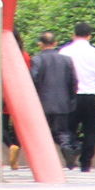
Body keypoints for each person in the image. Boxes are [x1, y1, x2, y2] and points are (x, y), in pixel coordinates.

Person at [61, 21, 95, 172]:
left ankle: (71, 152)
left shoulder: (64, 52)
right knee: (90, 130)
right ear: (89, 36)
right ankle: (86, 163)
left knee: (69, 128)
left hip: (71, 96)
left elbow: (62, 77)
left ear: (73, 34)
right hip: (90, 96)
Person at [28, 31, 79, 164]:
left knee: (42, 133)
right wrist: (71, 100)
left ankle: (43, 161)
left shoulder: (37, 60)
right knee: (62, 131)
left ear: (40, 44)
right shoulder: (67, 60)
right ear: (55, 43)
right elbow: (73, 82)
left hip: (42, 104)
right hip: (62, 103)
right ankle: (67, 147)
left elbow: (33, 79)